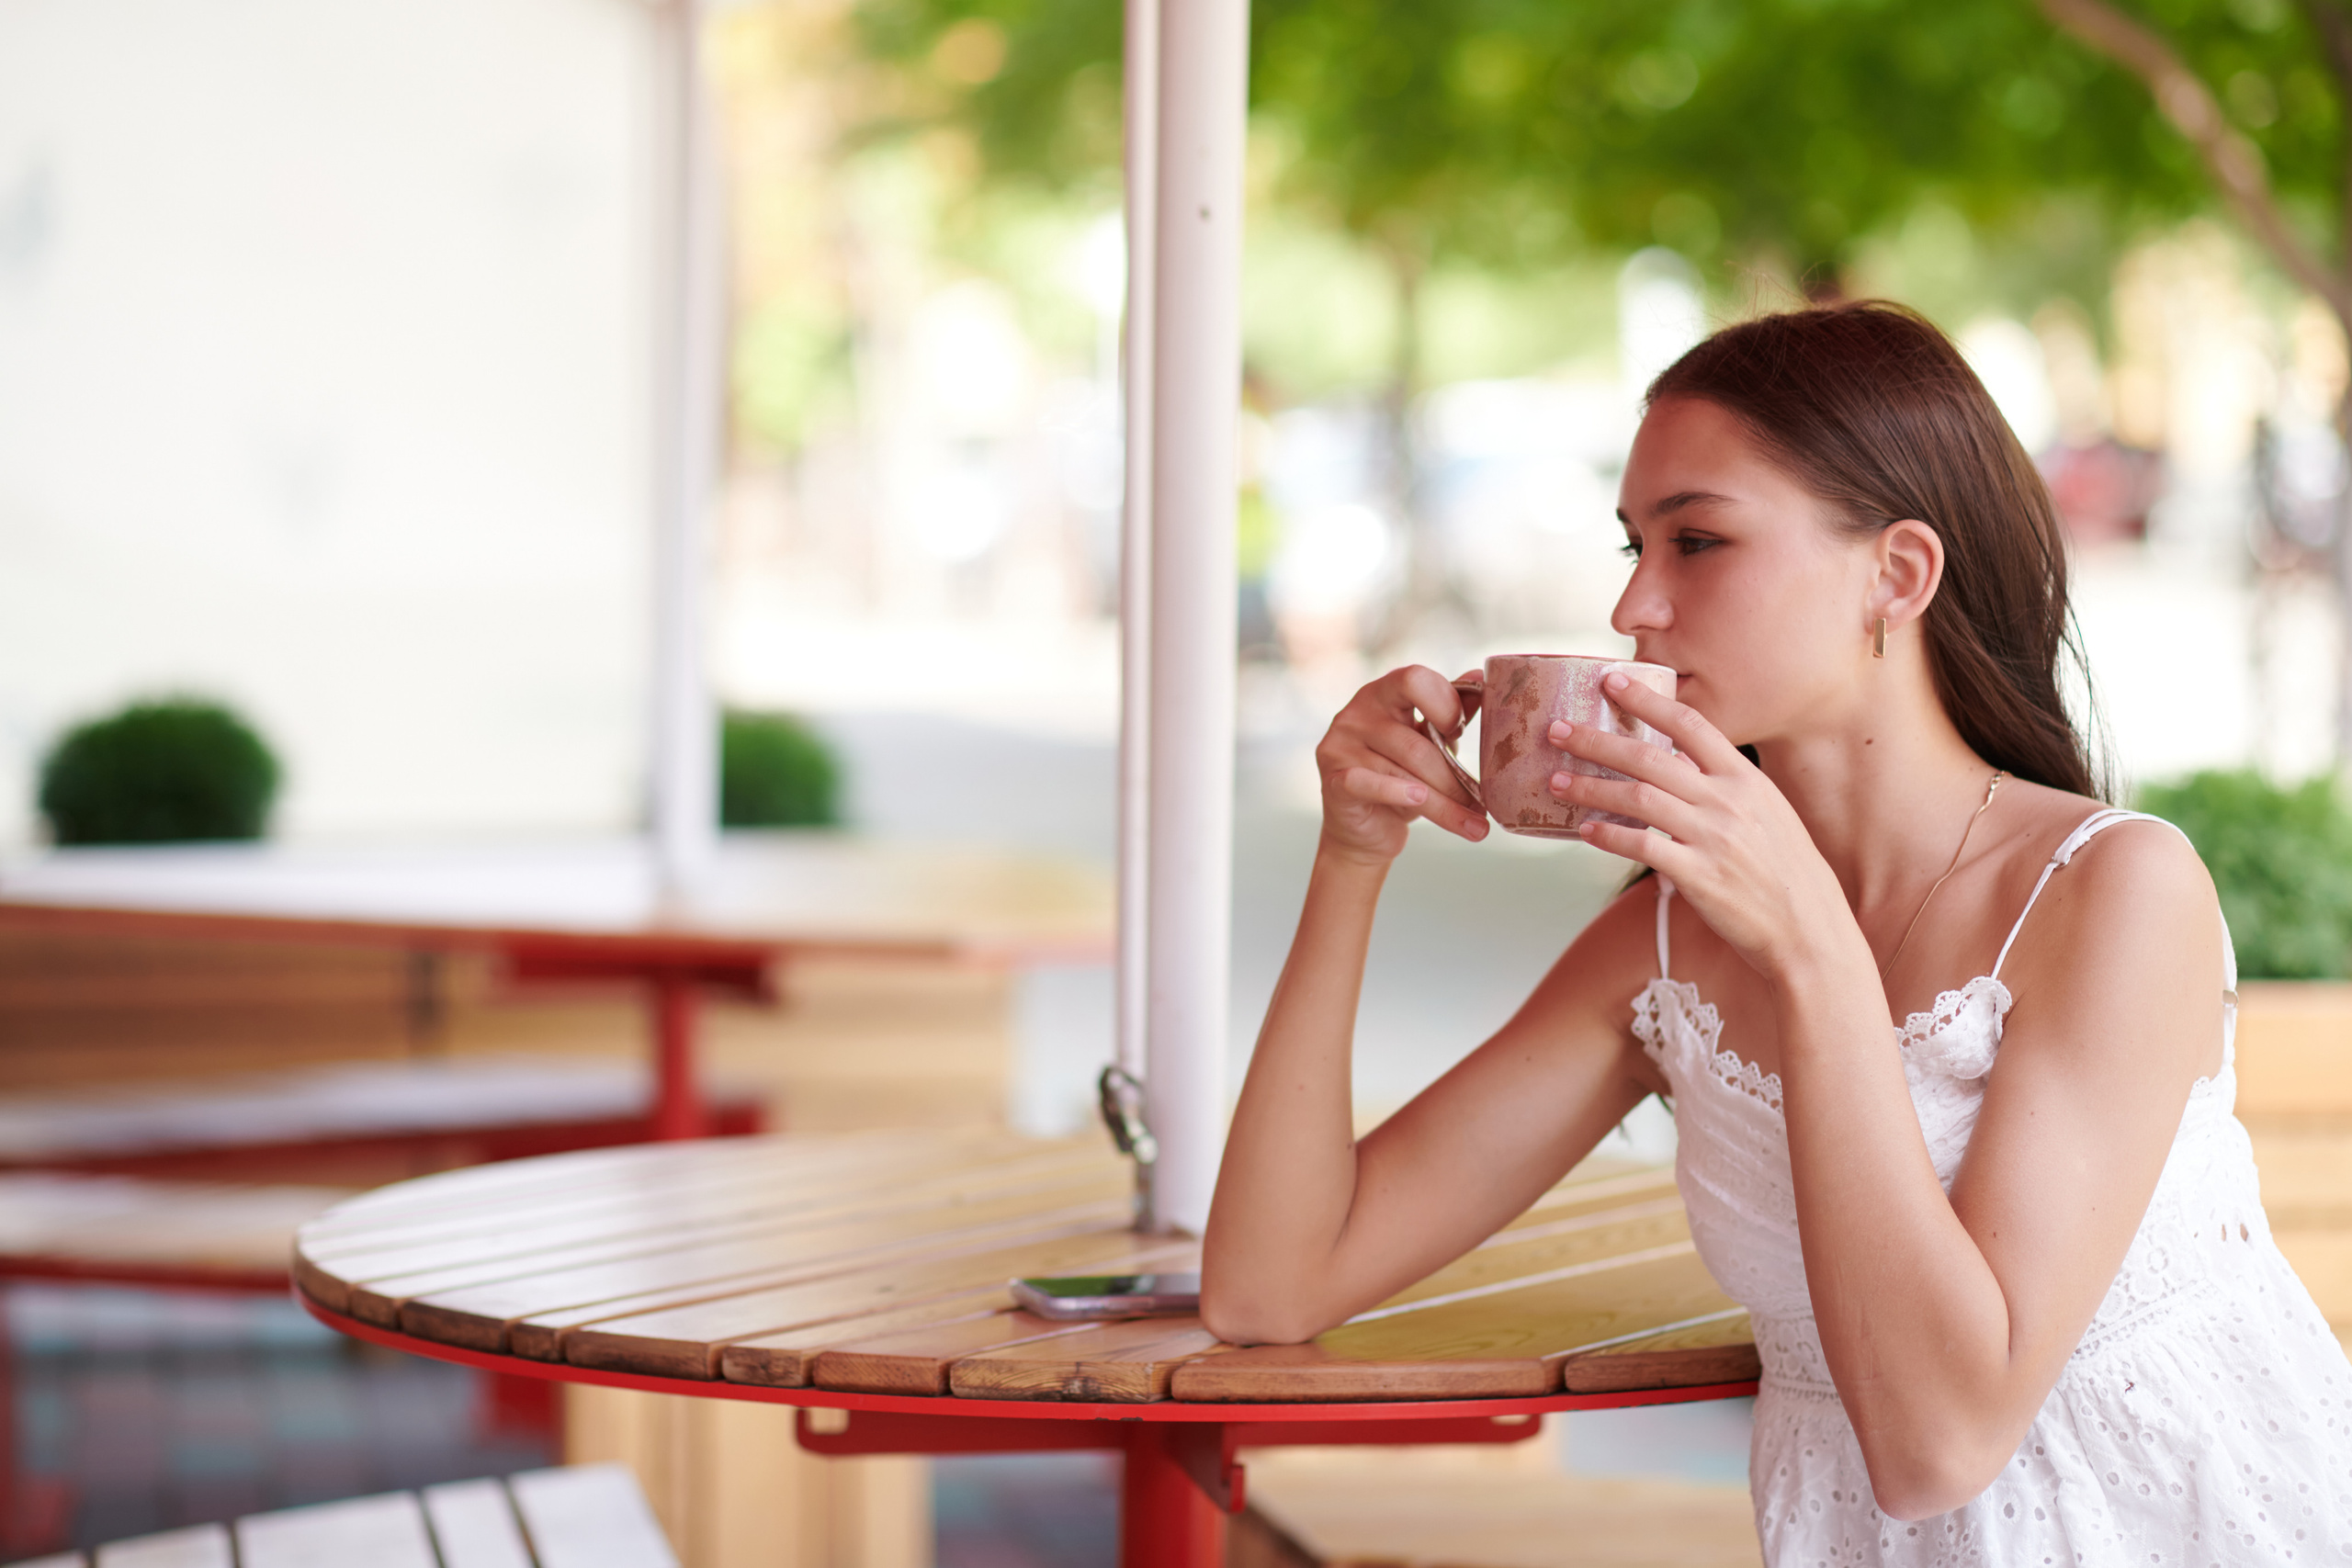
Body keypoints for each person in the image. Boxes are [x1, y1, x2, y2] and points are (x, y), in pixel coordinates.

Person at [1201, 301, 2352, 1564]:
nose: (1635, 603)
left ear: (1897, 575)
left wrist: (1813, 954)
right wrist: (1352, 859)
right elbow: (1272, 1284)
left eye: (1697, 540)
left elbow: (1938, 1444)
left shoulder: (2112, 894)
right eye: (1634, 542)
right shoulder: (1664, 952)